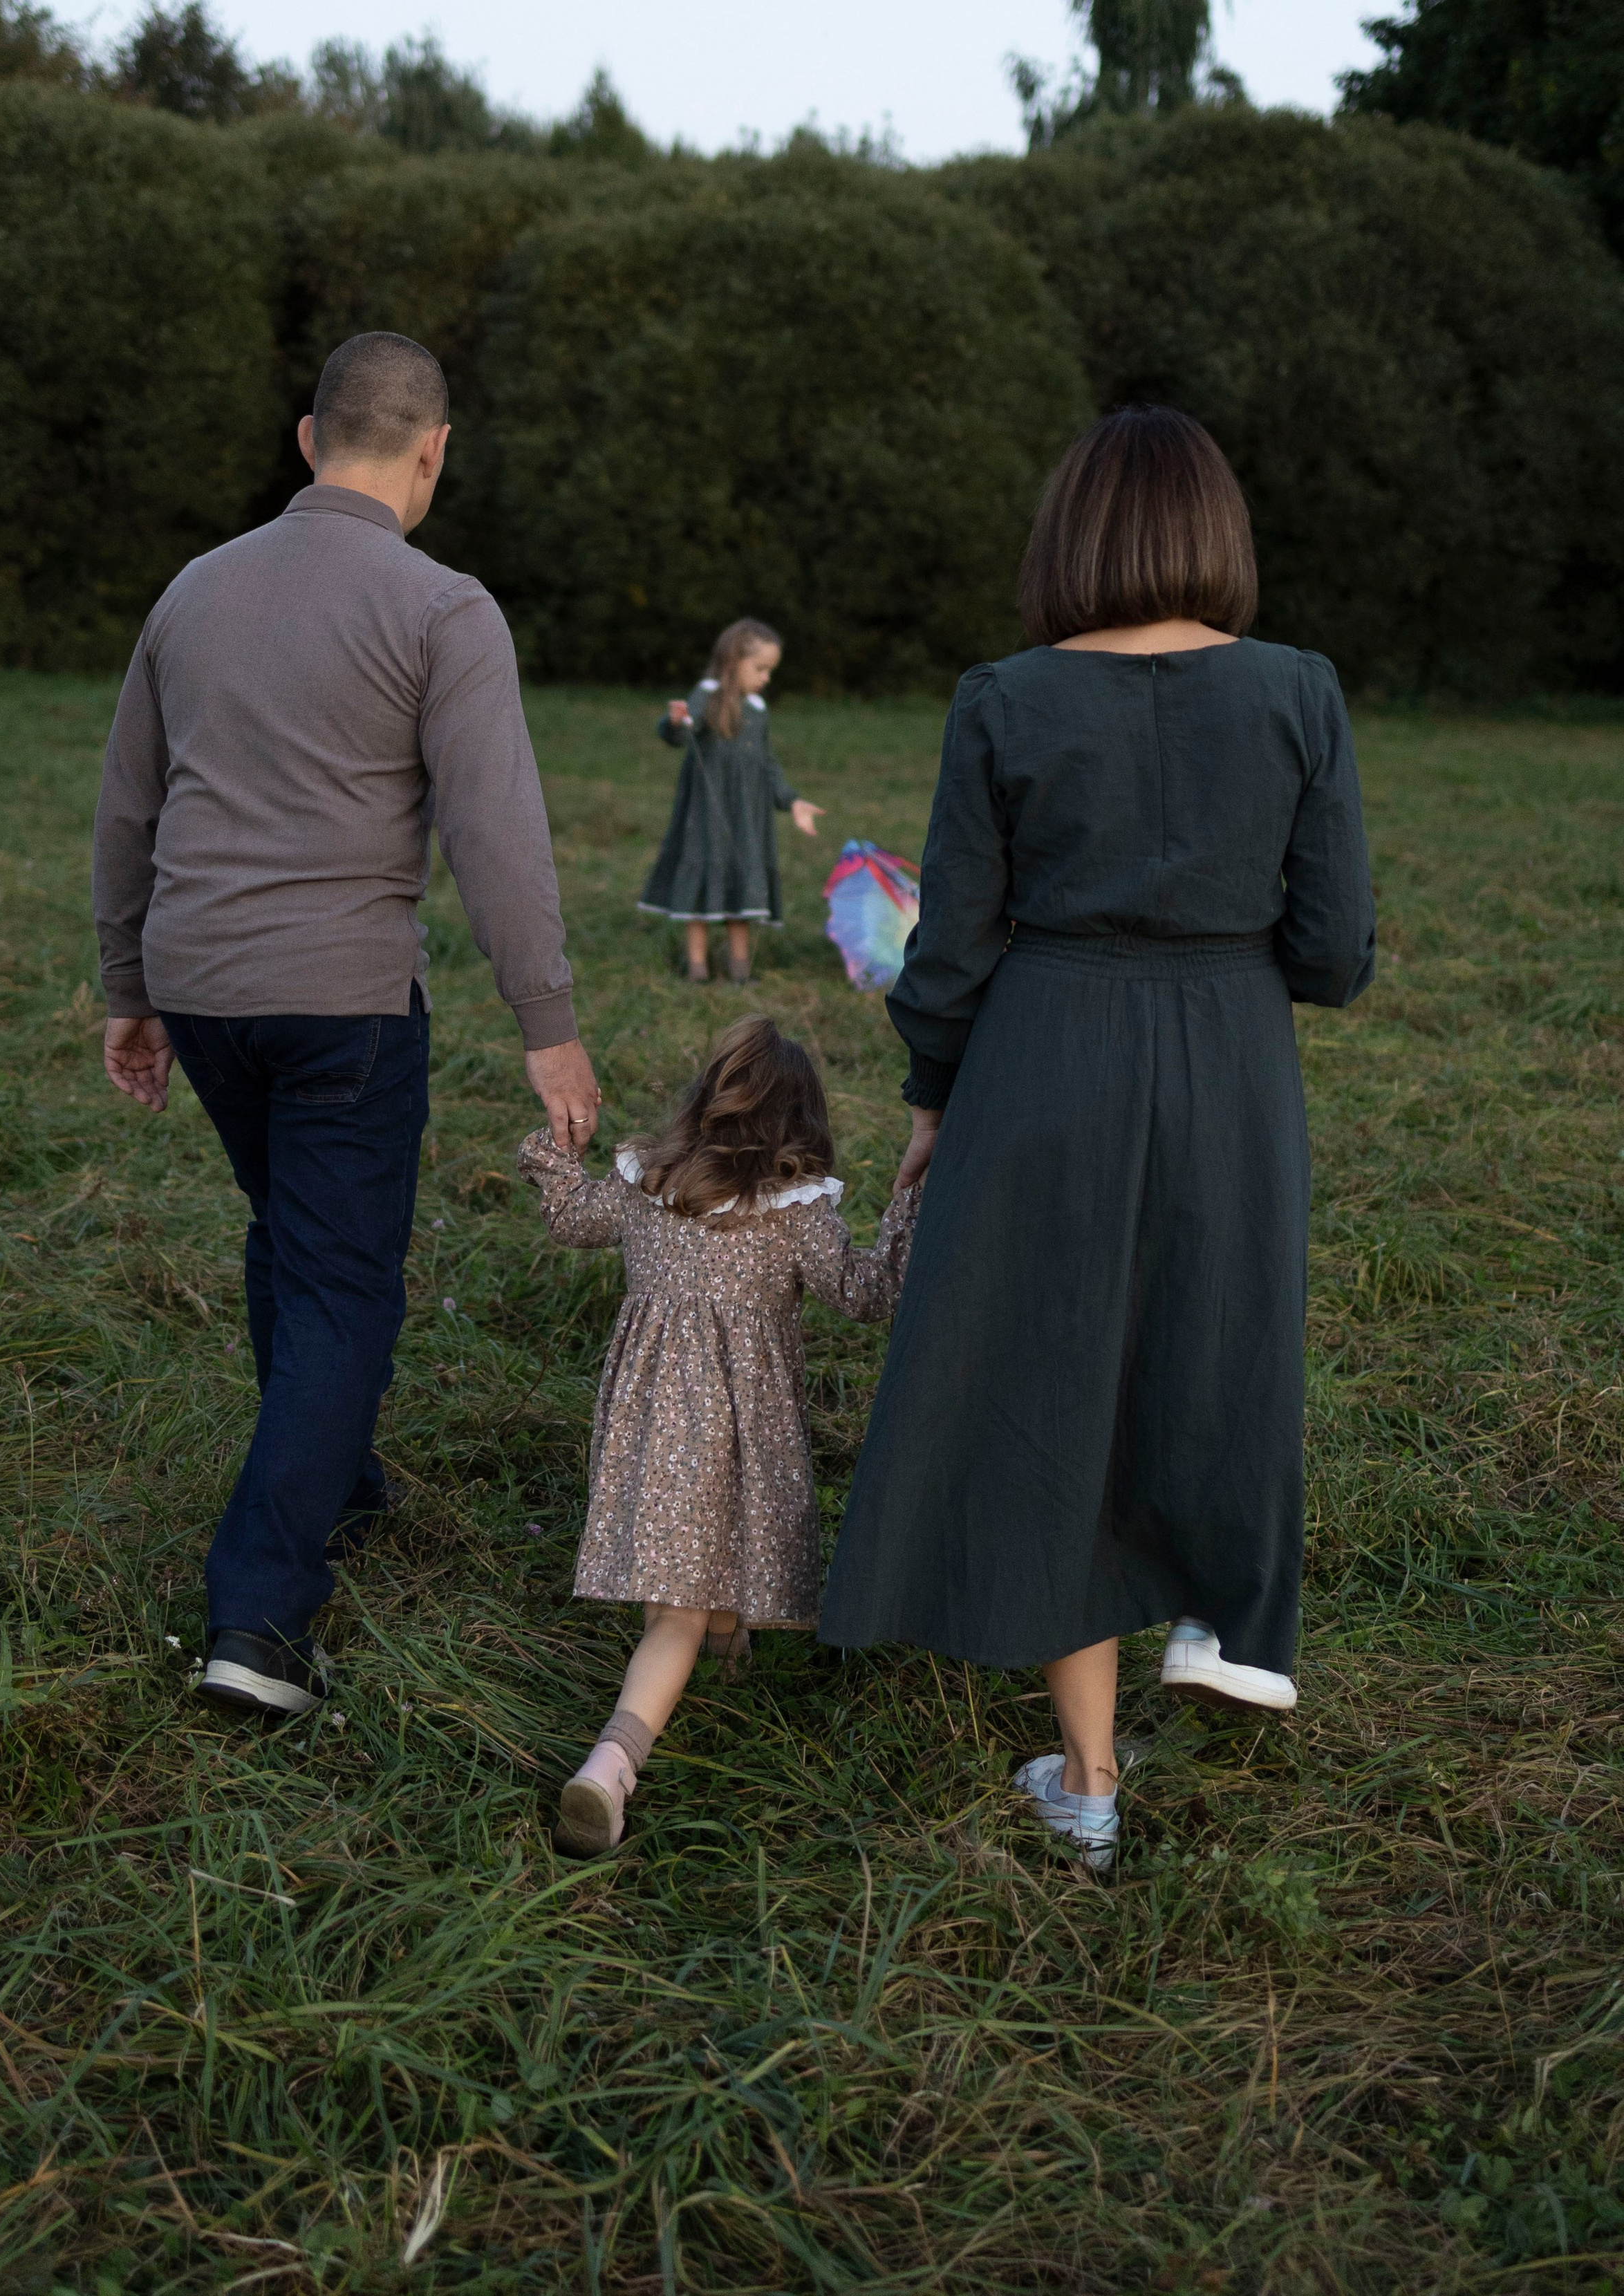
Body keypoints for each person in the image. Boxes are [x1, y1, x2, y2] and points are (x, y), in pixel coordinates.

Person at [818, 406, 1375, 1872]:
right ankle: (1224, 1613)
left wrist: (931, 1099)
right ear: (1215, 534)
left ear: (1068, 536)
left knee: (1052, 1385)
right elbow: (1333, 953)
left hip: (1038, 1060)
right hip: (1230, 1061)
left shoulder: (1000, 698)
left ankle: (1086, 1778)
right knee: (1217, 1344)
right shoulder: (1300, 693)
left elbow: (946, 956)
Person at [93, 330, 600, 1721]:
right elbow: (498, 835)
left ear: (309, 440)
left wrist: (127, 990)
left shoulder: (190, 592)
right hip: (343, 1006)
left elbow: (129, 806)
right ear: (429, 454)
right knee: (340, 1282)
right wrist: (546, 1024)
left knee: (289, 1235)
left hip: (200, 987)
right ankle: (258, 1619)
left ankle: (337, 1479)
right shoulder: (444, 608)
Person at [518, 1014, 920, 1854]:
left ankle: (724, 1668)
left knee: (686, 1565)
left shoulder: (645, 1180)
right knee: (679, 1614)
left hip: (649, 1419)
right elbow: (867, 1294)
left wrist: (555, 1146)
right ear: (801, 1122)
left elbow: (569, 1219)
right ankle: (611, 1767)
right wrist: (913, 1201)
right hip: (743, 1422)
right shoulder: (793, 1208)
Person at [637, 617, 823, 982]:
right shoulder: (706, 696)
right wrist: (674, 722)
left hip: (748, 820)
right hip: (706, 816)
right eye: (760, 668)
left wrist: (793, 801)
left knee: (742, 889)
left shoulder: (757, 709)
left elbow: (768, 766)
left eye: (770, 670)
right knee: (702, 886)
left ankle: (740, 972)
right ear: (733, 660)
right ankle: (697, 970)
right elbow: (679, 734)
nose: (766, 678)